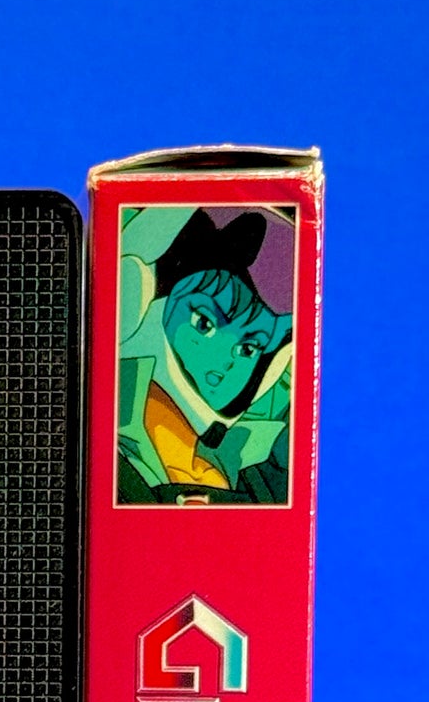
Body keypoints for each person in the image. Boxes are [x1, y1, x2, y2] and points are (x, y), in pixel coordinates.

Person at [117, 206, 295, 505]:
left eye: (248, 349)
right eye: (204, 323)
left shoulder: (257, 462)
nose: (225, 363)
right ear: (141, 296)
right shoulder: (109, 457)